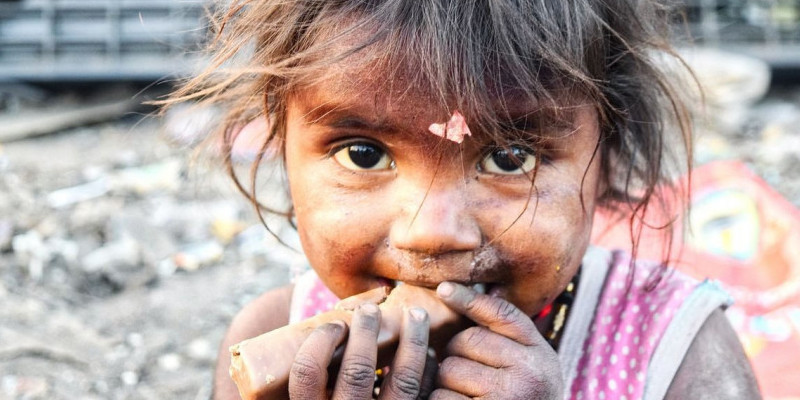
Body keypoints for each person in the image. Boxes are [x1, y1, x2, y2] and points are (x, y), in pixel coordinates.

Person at [167, 0, 761, 398]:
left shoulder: (676, 350)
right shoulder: (276, 345)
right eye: (363, 154)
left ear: (609, 153)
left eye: (509, 158)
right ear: (282, 141)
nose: (431, 232)